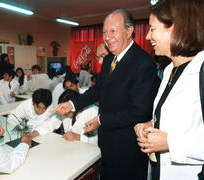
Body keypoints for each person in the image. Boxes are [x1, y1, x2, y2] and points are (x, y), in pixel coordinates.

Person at [53, 9, 159, 179]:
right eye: (104, 32)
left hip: (128, 148)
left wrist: (101, 120)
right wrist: (73, 104)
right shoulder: (110, 58)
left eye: (113, 31)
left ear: (130, 31)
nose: (107, 37)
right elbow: (99, 89)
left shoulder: (143, 63)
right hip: (106, 143)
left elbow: (138, 111)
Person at [134, 0, 204, 179]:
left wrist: (169, 142)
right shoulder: (168, 71)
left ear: (177, 28)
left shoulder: (201, 70)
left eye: (152, 29)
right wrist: (153, 125)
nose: (148, 36)